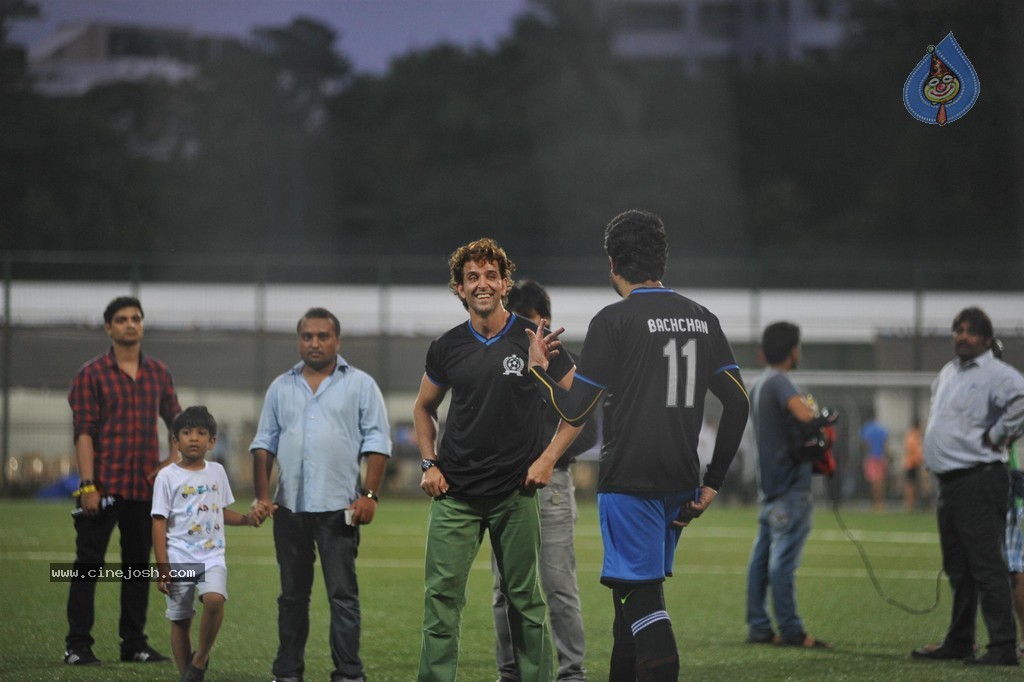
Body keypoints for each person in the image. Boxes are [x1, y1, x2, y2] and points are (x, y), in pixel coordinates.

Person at [524, 210, 750, 681]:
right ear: (661, 260)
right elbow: (739, 403)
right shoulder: (702, 318)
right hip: (680, 484)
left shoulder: (615, 319)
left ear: (613, 263)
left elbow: (575, 409)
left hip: (631, 483)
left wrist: (539, 371)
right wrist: (712, 483)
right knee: (627, 605)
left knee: (641, 603)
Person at [414, 239, 574, 682]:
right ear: (459, 289)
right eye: (472, 277)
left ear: (505, 283)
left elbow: (582, 406)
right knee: (441, 600)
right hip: (455, 495)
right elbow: (422, 408)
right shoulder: (446, 347)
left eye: (490, 275)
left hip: (514, 494)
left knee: (526, 603)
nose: (482, 284)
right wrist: (430, 464)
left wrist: (547, 460)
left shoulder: (533, 338)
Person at [250, 307, 392, 682]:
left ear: (337, 341)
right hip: (289, 508)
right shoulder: (281, 387)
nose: (314, 342)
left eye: (322, 336)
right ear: (300, 340)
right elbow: (264, 444)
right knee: (291, 599)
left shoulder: (360, 384)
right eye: (307, 336)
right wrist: (263, 496)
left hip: (339, 509)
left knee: (342, 598)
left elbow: (377, 441)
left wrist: (370, 494)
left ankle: (348, 673)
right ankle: (288, 672)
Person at [64, 296, 181, 666]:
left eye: (135, 318)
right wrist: (87, 485)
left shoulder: (159, 373)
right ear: (108, 328)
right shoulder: (91, 374)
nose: (130, 324)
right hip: (103, 488)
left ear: (142, 325)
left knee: (136, 566)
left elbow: (177, 422)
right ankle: (77, 646)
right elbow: (84, 432)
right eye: (121, 319)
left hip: (145, 490)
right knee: (88, 566)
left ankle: (134, 644)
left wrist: (171, 462)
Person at [491, 280, 596, 682]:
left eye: (528, 324)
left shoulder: (560, 360)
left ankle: (572, 673)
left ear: (544, 322)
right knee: (505, 591)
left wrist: (546, 457)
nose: (523, 334)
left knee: (558, 585)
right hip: (503, 486)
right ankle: (510, 673)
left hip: (551, 487)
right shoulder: (498, 355)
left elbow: (588, 427)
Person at [912, 307, 1024, 666]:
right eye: (958, 330)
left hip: (979, 478)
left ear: (987, 339)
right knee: (958, 567)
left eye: (971, 331)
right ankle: (960, 641)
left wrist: (998, 434)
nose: (962, 336)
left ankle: (1004, 646)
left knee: (986, 565)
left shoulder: (998, 373)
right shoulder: (948, 372)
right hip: (951, 482)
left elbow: (1022, 401)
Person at [152, 406, 257, 682]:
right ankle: (187, 674)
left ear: (212, 441)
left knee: (214, 600)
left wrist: (247, 520)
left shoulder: (217, 473)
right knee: (180, 620)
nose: (194, 438)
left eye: (201, 433)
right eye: (186, 433)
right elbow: (159, 522)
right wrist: (162, 566)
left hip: (211, 556)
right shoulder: (166, 477)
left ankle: (199, 660)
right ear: (175, 441)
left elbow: (218, 512)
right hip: (177, 557)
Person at [744, 321, 831, 649]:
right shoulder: (780, 382)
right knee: (782, 564)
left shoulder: (758, 383)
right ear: (794, 350)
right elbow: (805, 415)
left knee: (761, 563)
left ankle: (758, 625)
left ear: (763, 351)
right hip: (789, 489)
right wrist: (816, 414)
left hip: (769, 490)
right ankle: (792, 630)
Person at [860, 413, 889, 512]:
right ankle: (881, 502)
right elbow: (886, 444)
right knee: (880, 481)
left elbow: (865, 444)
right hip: (881, 457)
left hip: (871, 457)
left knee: (874, 481)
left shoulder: (867, 429)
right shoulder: (882, 430)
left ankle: (876, 503)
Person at [902, 419, 924, 512]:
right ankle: (909, 503)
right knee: (911, 484)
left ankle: (911, 502)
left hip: (912, 463)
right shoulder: (913, 437)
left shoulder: (913, 436)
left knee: (912, 484)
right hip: (911, 464)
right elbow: (913, 451)